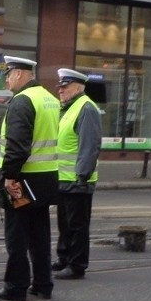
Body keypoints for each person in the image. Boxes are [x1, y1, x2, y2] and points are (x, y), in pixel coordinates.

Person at [0, 56, 60, 301]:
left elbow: (18, 146)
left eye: (8, 74)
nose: (6, 79)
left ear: (19, 74)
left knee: (17, 236)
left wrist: (9, 177)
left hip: (23, 181)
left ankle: (16, 287)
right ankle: (43, 284)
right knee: (40, 235)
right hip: (46, 179)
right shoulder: (49, 98)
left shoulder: (22, 101)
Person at [52, 68, 102, 280]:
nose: (61, 91)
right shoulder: (67, 108)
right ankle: (64, 258)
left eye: (65, 87)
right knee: (64, 224)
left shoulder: (86, 108)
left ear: (78, 87)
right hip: (64, 178)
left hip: (78, 179)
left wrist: (82, 175)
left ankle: (77, 265)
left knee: (77, 225)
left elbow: (89, 145)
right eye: (60, 87)